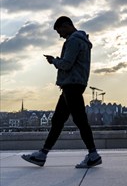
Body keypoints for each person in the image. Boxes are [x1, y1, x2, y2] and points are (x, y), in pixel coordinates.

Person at [21, 16, 102, 168]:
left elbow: (66, 64)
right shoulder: (82, 40)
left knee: (79, 121)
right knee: (58, 120)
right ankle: (42, 154)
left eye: (60, 31)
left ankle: (93, 154)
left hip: (71, 85)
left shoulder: (73, 41)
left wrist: (54, 61)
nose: (60, 35)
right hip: (74, 85)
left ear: (66, 26)